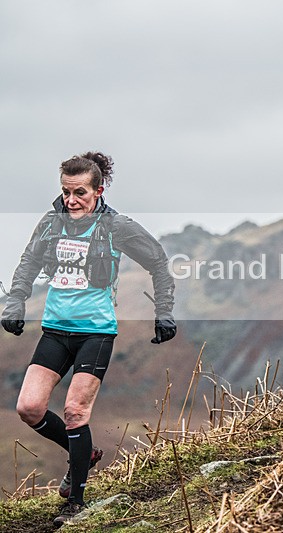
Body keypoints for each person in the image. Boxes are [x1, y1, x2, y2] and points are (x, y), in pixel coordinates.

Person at [1, 152, 176, 526]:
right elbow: (28, 264)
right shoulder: (51, 224)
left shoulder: (116, 227)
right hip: (55, 330)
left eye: (79, 192)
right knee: (28, 408)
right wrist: (15, 301)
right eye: (66, 192)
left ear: (99, 190)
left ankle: (74, 503)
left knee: (75, 412)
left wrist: (164, 311)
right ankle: (83, 454)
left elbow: (159, 261)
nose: (71, 200)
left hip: (95, 333)